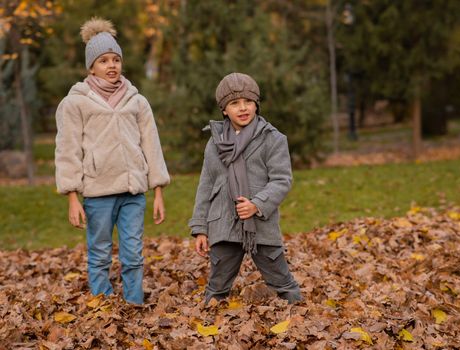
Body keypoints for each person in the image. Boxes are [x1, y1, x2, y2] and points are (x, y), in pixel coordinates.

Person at [54, 18, 170, 305]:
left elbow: (151, 145)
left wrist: (157, 192)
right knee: (100, 251)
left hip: (133, 193)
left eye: (116, 59)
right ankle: (103, 305)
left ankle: (133, 303)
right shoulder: (75, 103)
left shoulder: (136, 101)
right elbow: (67, 151)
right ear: (91, 67)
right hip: (98, 193)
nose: (111, 65)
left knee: (133, 252)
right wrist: (72, 197)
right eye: (103, 60)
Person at [189, 72, 302, 304]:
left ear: (256, 104)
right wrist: (200, 227)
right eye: (234, 103)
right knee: (217, 287)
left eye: (248, 102)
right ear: (224, 110)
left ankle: (300, 320)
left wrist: (257, 204)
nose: (243, 108)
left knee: (283, 283)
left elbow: (282, 180)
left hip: (260, 224)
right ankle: (212, 332)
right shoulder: (215, 142)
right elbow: (206, 185)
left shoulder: (273, 139)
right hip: (223, 223)